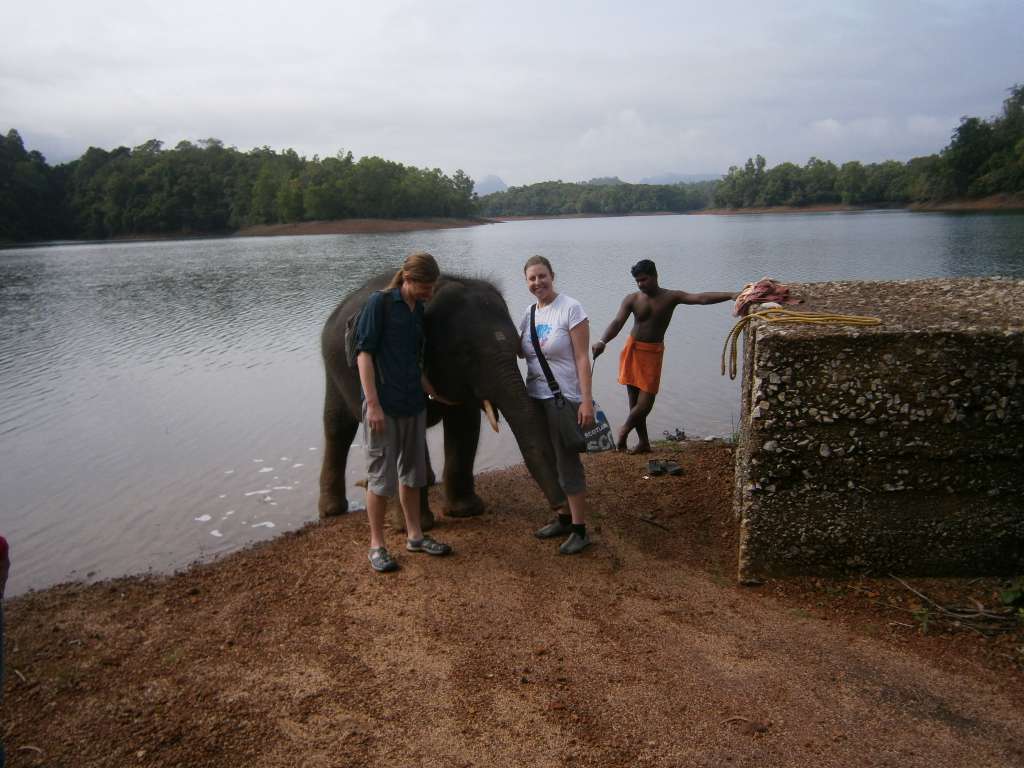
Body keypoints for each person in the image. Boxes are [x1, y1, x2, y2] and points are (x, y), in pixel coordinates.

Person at [354, 251, 452, 572]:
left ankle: (415, 536)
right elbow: (364, 356)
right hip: (384, 408)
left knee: (412, 475)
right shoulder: (379, 304)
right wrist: (374, 404)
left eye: (432, 287)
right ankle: (377, 546)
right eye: (426, 286)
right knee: (380, 480)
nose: (430, 293)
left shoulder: (416, 310)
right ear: (408, 279)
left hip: (413, 405)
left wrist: (433, 392)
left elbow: (413, 360)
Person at [592, 259, 736, 454]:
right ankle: (644, 443)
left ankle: (624, 429)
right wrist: (602, 342)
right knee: (634, 401)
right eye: (638, 281)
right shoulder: (632, 299)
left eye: (644, 279)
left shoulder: (670, 297)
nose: (641, 284)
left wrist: (731, 295)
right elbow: (617, 322)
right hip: (632, 350)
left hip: (652, 353)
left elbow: (700, 298)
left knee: (645, 403)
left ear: (655, 276)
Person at [518, 255, 595, 555]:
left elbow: (581, 358)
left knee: (568, 462)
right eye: (532, 279)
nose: (537, 283)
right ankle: (562, 518)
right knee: (548, 459)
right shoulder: (529, 313)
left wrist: (585, 402)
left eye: (542, 276)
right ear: (526, 282)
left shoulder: (571, 309)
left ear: (553, 275)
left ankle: (580, 529)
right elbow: (522, 351)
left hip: (563, 399)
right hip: (535, 399)